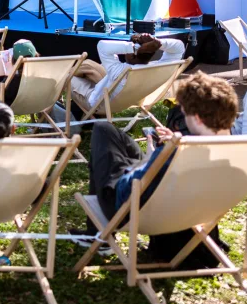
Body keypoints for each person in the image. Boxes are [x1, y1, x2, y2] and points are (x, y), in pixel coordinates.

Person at [78, 74, 238, 253]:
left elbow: (137, 186)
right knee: (117, 138)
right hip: (186, 209)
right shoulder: (234, 152)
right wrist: (172, 144)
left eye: (185, 113)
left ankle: (97, 233)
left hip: (132, 207)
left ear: (198, 119)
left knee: (103, 130)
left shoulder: (178, 154)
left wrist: (153, 157)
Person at [70, 33, 187, 112]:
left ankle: (67, 114)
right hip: (131, 99)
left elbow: (102, 45)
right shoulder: (160, 68)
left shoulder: (120, 71)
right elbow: (179, 47)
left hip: (100, 105)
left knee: (67, 75)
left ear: (131, 53)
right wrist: (157, 42)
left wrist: (134, 48)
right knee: (90, 66)